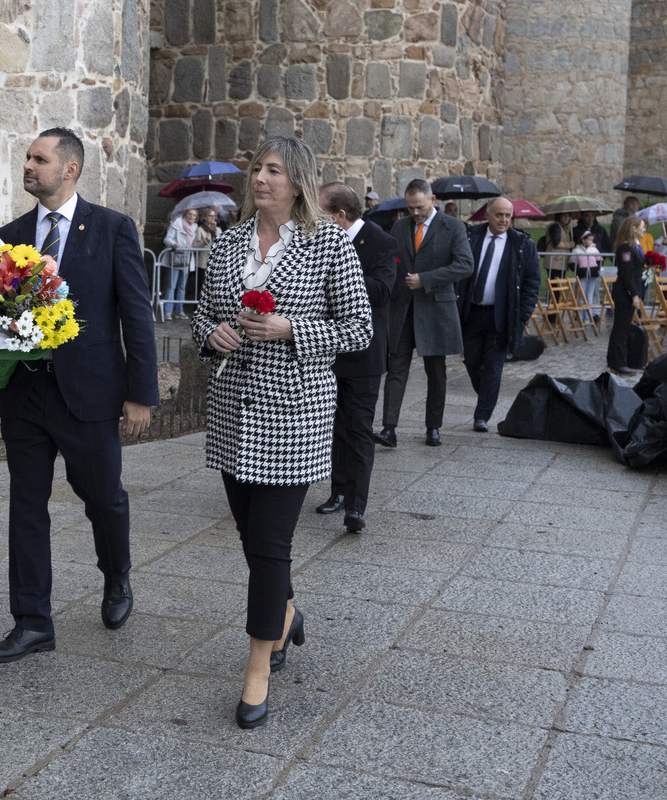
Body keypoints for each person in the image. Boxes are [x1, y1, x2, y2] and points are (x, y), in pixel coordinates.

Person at [191, 136, 371, 729]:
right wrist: (211, 332)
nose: (260, 179)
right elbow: (202, 311)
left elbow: (359, 330)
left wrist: (292, 328)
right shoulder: (229, 242)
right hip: (231, 414)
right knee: (252, 542)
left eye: (273, 170)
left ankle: (256, 669)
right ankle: (287, 617)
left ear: (298, 181)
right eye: (257, 169)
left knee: (269, 548)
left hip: (294, 415)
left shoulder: (328, 247)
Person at [0, 128, 159, 664]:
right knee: (27, 508)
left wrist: (141, 393)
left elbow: (136, 315)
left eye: (40, 159)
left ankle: (117, 576)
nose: (29, 166)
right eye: (27, 158)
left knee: (104, 499)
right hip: (26, 396)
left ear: (71, 169)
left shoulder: (111, 229)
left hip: (90, 395)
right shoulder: (6, 238)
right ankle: (32, 621)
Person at [315, 182, 398, 533]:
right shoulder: (318, 242)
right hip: (328, 350)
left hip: (364, 354)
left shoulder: (382, 242)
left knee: (359, 429)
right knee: (334, 427)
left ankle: (356, 505)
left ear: (340, 216)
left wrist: (342, 272)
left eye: (321, 214)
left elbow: (382, 291)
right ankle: (337, 491)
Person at [376, 178, 474, 448]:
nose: (415, 213)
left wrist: (426, 279)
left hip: (435, 308)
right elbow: (391, 260)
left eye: (419, 207)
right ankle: (389, 429)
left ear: (432, 200)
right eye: (410, 208)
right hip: (403, 310)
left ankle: (433, 427)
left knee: (436, 371)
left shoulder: (453, 226)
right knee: (396, 369)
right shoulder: (399, 226)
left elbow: (465, 265)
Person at [458, 197, 540, 431]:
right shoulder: (471, 237)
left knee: (494, 365)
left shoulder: (522, 244)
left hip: (501, 316)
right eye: (499, 215)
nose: (504, 220)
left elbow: (532, 283)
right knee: (472, 361)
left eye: (507, 215)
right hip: (472, 312)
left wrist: (522, 316)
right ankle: (487, 393)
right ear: (488, 215)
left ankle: (481, 415)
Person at [607, 215, 647, 375]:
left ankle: (618, 361)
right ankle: (617, 363)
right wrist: (634, 295)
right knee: (621, 329)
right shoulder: (625, 248)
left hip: (630, 291)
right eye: (642, 226)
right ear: (634, 228)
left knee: (622, 327)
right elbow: (626, 274)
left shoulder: (634, 247)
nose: (644, 229)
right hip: (625, 293)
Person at [161, 208, 198, 319]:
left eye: (194, 215)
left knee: (182, 287)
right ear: (185, 214)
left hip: (187, 260)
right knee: (172, 286)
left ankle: (179, 311)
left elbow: (195, 244)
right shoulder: (176, 224)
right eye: (190, 214)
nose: (191, 217)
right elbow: (167, 239)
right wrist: (173, 244)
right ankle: (168, 311)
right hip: (176, 259)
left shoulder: (195, 228)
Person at [570, 229, 604, 324]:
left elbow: (599, 260)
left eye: (592, 240)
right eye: (589, 240)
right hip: (582, 275)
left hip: (592, 275)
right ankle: (580, 316)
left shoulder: (594, 249)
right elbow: (572, 262)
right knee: (581, 295)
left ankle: (588, 316)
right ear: (583, 240)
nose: (591, 242)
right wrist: (578, 270)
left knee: (589, 295)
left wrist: (596, 269)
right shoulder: (576, 250)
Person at [544, 212, 575, 279]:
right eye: (564, 215)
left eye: (568, 215)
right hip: (555, 261)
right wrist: (570, 244)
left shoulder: (564, 228)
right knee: (555, 285)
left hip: (561, 261)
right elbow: (556, 243)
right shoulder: (555, 226)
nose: (566, 217)